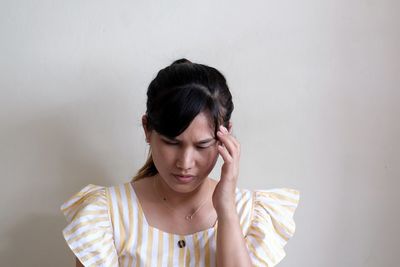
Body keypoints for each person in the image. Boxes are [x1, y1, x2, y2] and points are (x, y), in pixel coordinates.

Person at [60, 59, 300, 267]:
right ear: (147, 129)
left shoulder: (251, 214)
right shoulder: (106, 215)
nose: (185, 163)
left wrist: (226, 208)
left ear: (225, 136)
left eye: (202, 145)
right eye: (172, 143)